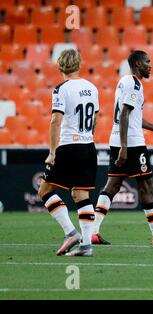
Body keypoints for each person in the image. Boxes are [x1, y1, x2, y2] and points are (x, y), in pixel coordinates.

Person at [92, 50, 153, 245]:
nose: (151, 65)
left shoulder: (124, 81)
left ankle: (92, 231)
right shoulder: (134, 84)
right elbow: (124, 114)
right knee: (146, 185)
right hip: (131, 144)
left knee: (112, 185)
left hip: (116, 139)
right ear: (138, 64)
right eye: (148, 62)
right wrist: (125, 148)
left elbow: (133, 117)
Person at [38, 49, 99, 257]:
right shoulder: (92, 88)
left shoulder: (61, 89)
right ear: (79, 64)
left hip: (68, 147)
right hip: (89, 146)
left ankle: (71, 232)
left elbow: (55, 120)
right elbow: (95, 119)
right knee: (81, 195)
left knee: (44, 191)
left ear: (59, 66)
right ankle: (87, 245)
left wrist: (52, 152)